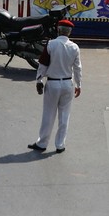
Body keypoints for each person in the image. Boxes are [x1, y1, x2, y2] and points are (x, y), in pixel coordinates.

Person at [30, 18, 82, 154]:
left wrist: (39, 80)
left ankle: (42, 143)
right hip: (67, 84)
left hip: (52, 84)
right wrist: (79, 84)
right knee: (64, 116)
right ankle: (60, 145)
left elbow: (43, 65)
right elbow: (78, 68)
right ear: (69, 33)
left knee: (48, 114)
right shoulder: (74, 47)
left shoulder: (51, 44)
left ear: (58, 30)